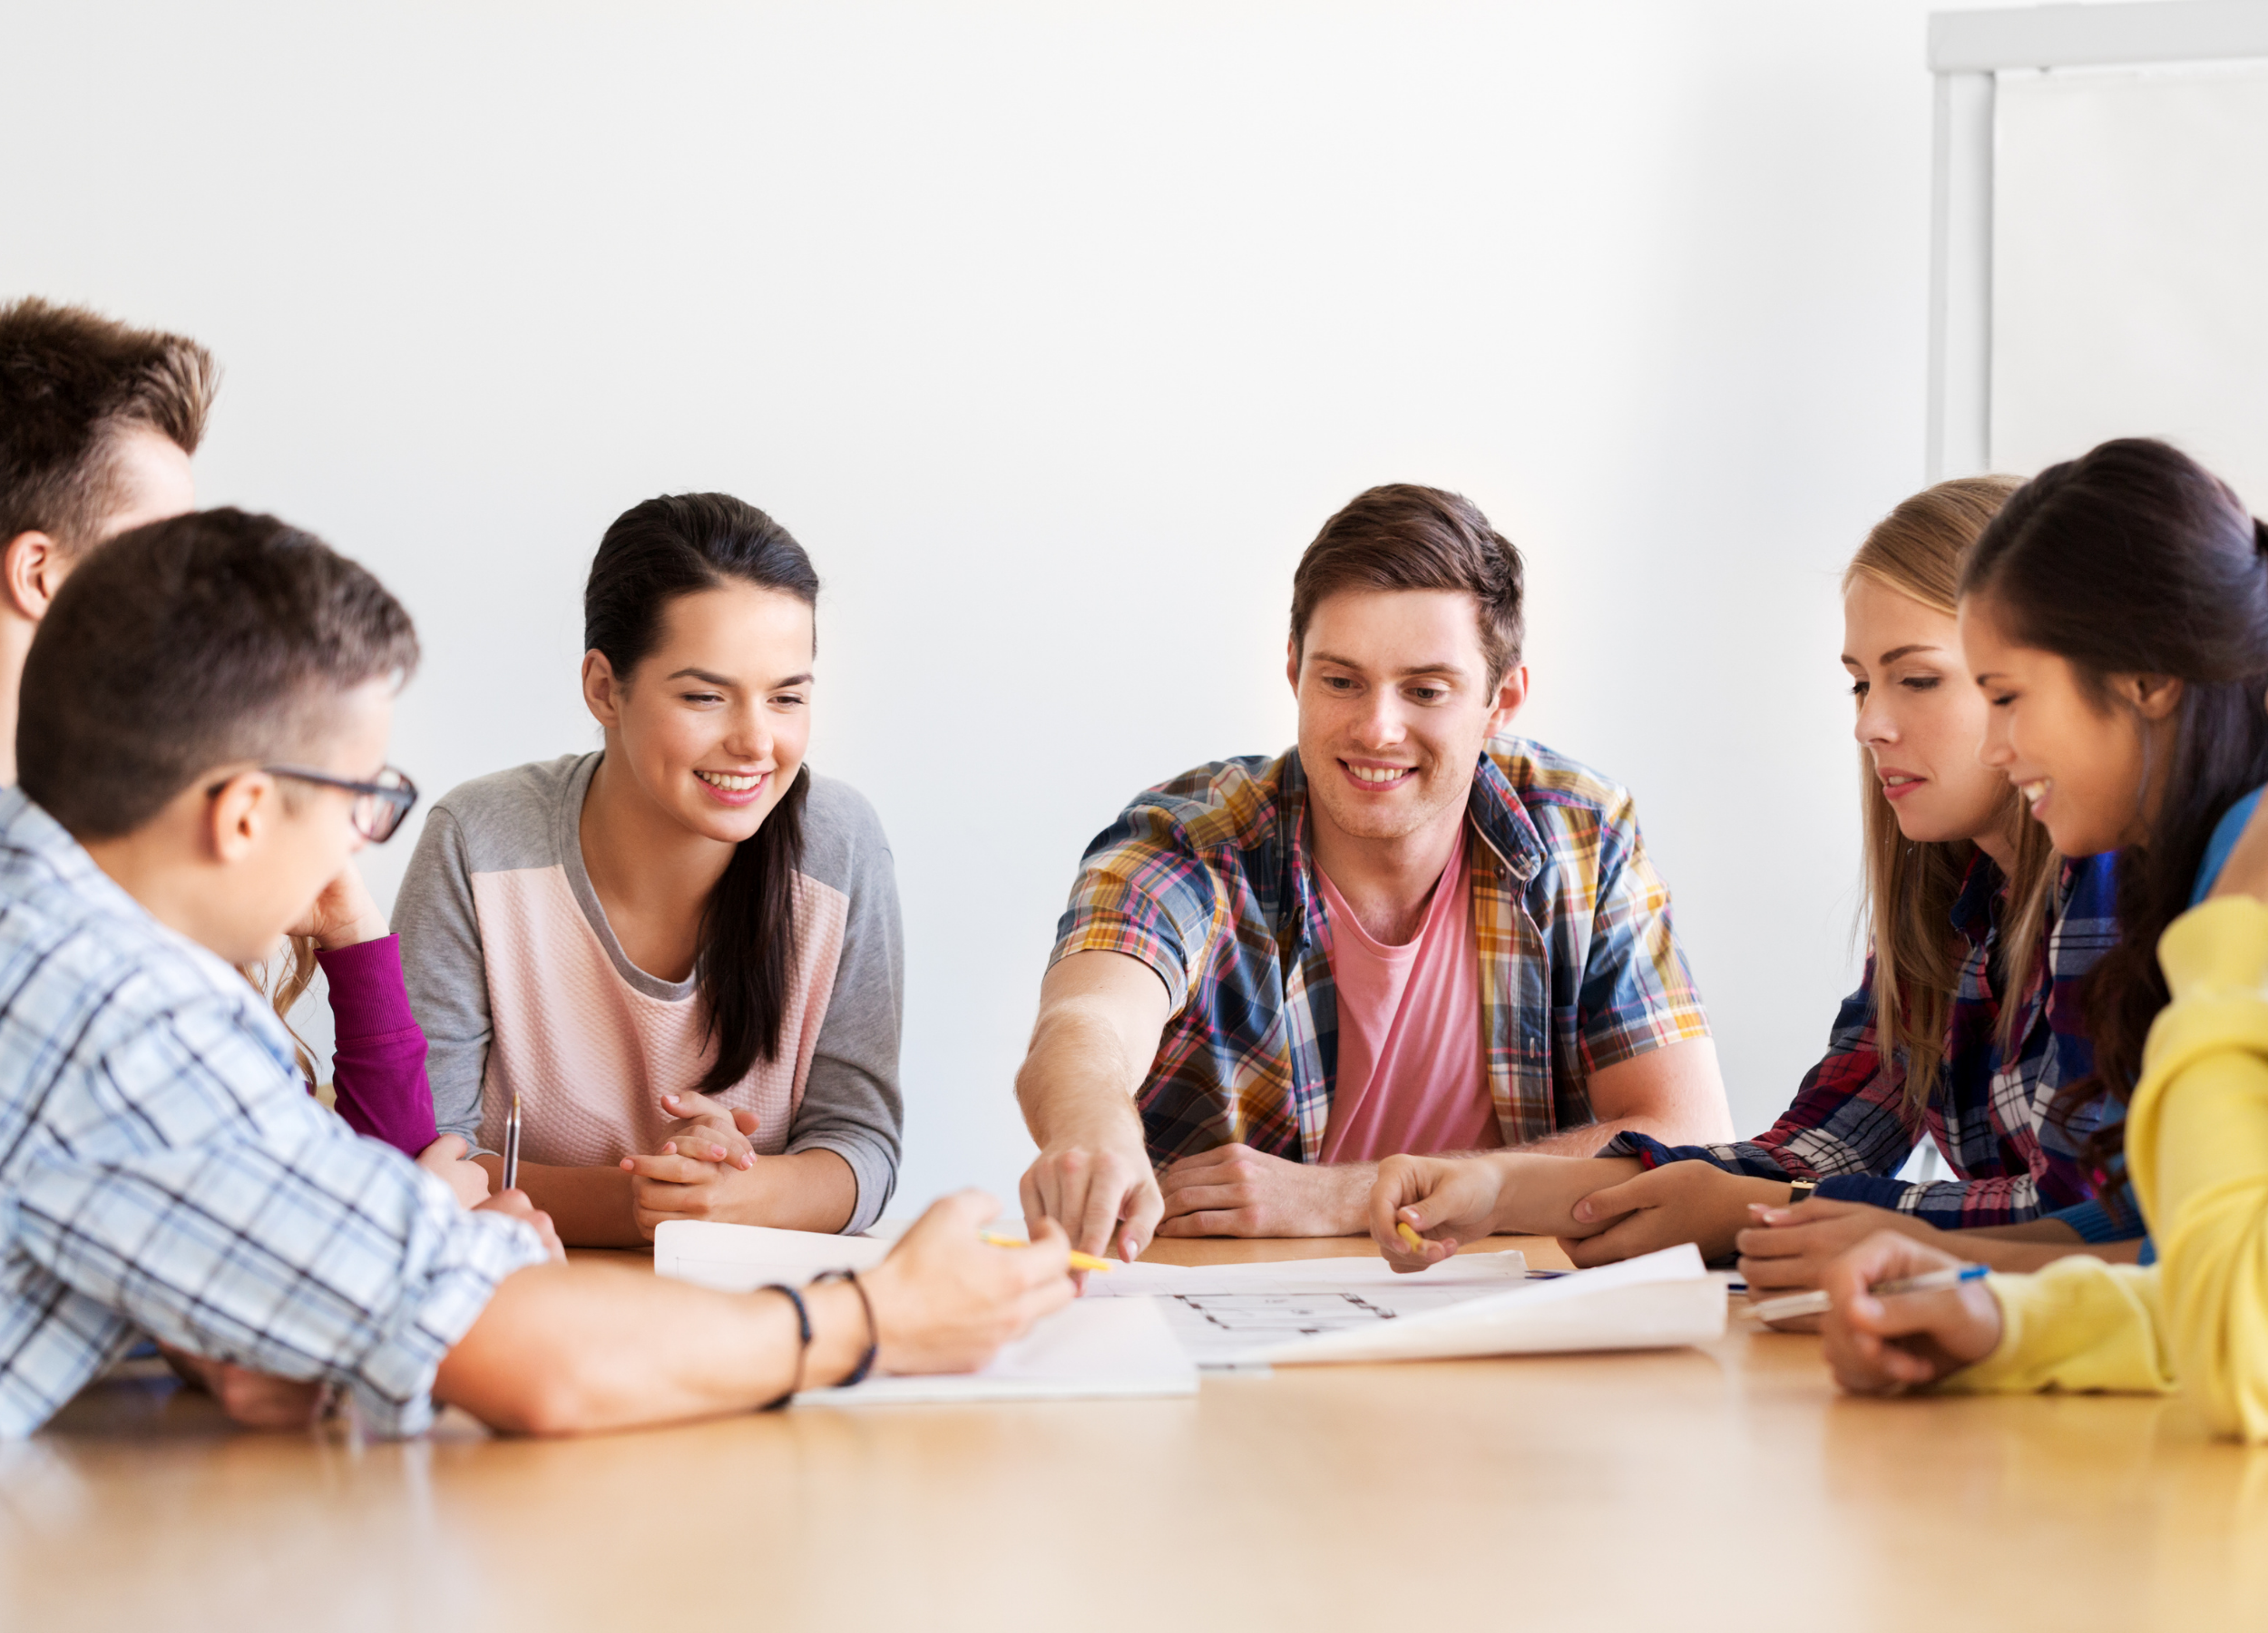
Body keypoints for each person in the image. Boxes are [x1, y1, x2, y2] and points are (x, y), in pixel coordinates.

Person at [0, 506, 1069, 1437]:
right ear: (241, 815)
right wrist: (883, 1318)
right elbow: (529, 1361)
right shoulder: (133, 1023)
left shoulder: (43, 928)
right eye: (362, 801)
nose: (358, 846)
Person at [1366, 479, 2140, 1283]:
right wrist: (1510, 1190)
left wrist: (1779, 1213)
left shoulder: (2109, 884)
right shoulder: (1945, 908)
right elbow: (1814, 1148)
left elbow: (2082, 1213)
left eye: (1916, 679)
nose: (1868, 724)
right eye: (1860, 681)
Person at [1014, 483, 1731, 1264]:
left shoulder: (1579, 834)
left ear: (1502, 700)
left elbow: (1688, 1135)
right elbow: (1085, 1025)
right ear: (1293, 671)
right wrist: (1094, 1128)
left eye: (1425, 690)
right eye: (1340, 681)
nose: (1377, 728)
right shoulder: (1193, 838)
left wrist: (1344, 1195)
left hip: (1508, 1320)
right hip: (1238, 1333)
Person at [1804, 440, 2268, 1433]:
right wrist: (1995, 1318)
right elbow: (2189, 1275)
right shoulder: (2205, 860)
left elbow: (2240, 1340)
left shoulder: (2238, 877)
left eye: (2005, 697)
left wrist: (2237, 935)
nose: (1998, 744)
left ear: (2146, 677)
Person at [0, 297, 476, 1197]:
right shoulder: (76, 903)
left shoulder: (169, 813)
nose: (192, 584)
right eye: (156, 547)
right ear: (42, 575)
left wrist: (354, 941)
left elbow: (312, 1208)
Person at [396, 494, 903, 1246]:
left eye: (787, 697)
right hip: (534, 1304)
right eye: (704, 696)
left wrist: (744, 1193)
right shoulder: (478, 842)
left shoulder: (839, 844)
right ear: (604, 688)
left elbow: (864, 1150)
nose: (756, 743)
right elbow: (427, 1159)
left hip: (750, 1314)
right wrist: (656, 1204)